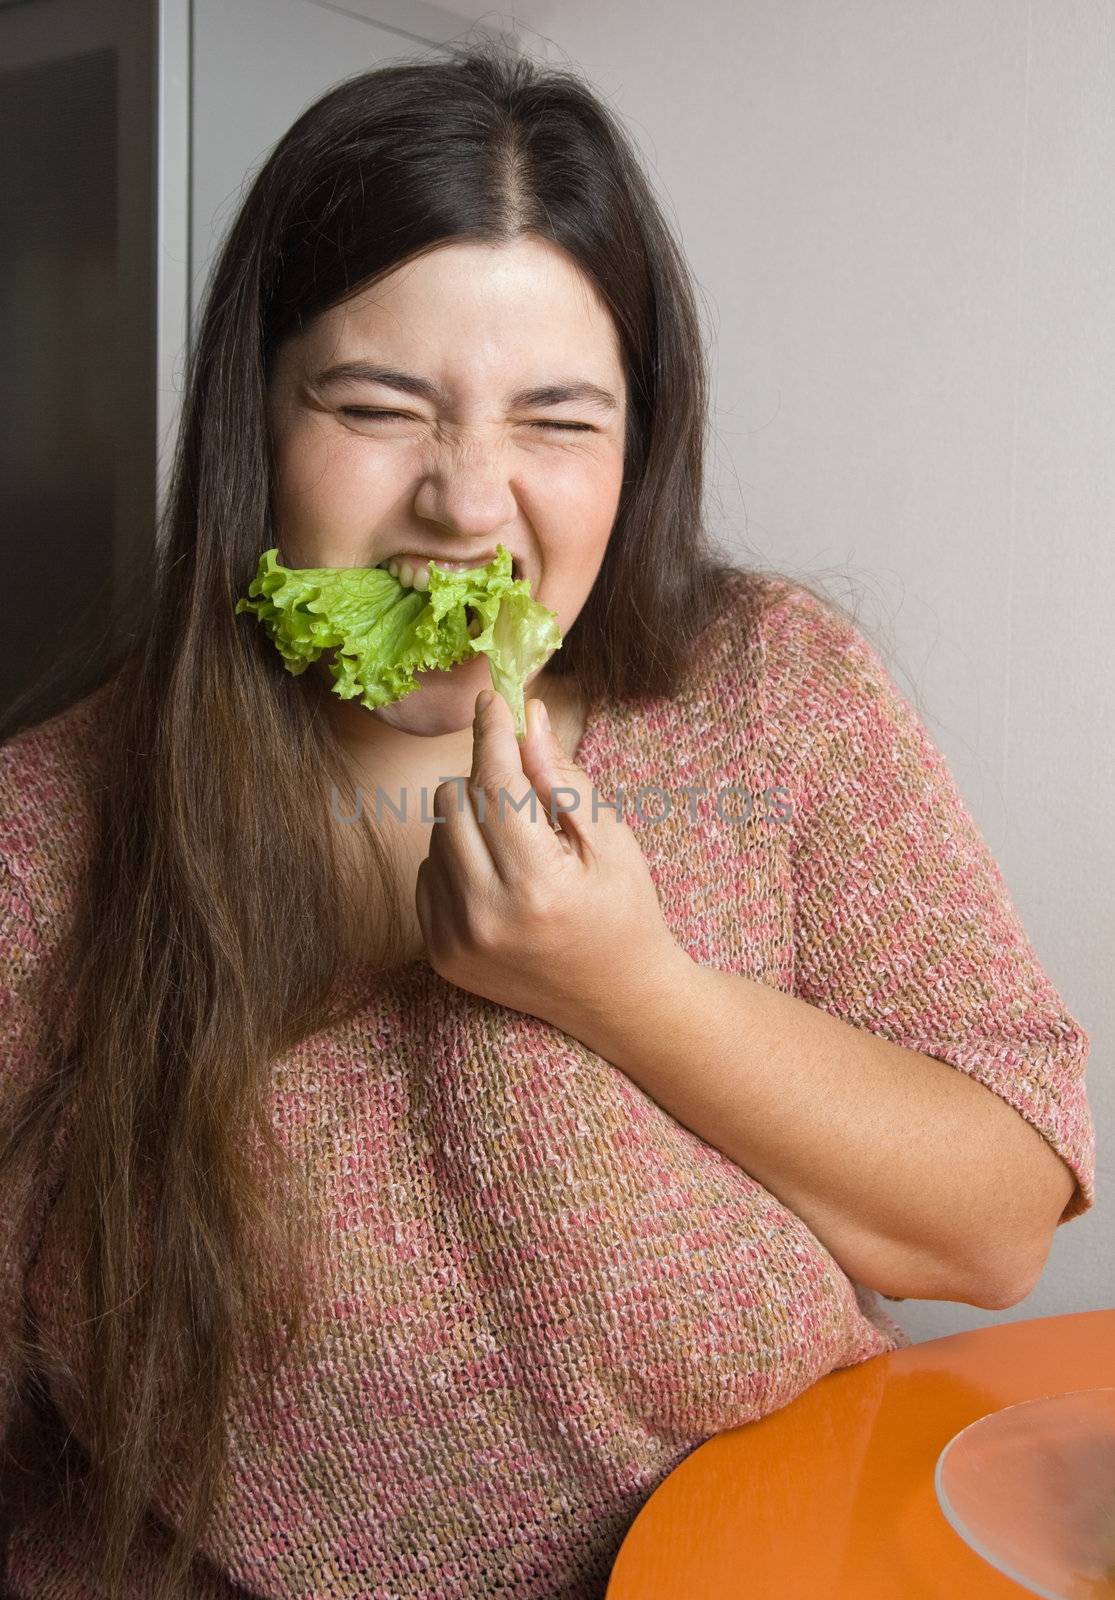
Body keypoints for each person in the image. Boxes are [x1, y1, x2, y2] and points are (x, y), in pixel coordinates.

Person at [0, 37, 1095, 1600]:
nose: (466, 501)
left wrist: (627, 989)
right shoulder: (46, 829)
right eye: (379, 405)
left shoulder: (776, 693)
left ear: (639, 444)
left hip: (768, 1560)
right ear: (257, 422)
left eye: (558, 422)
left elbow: (995, 1236)